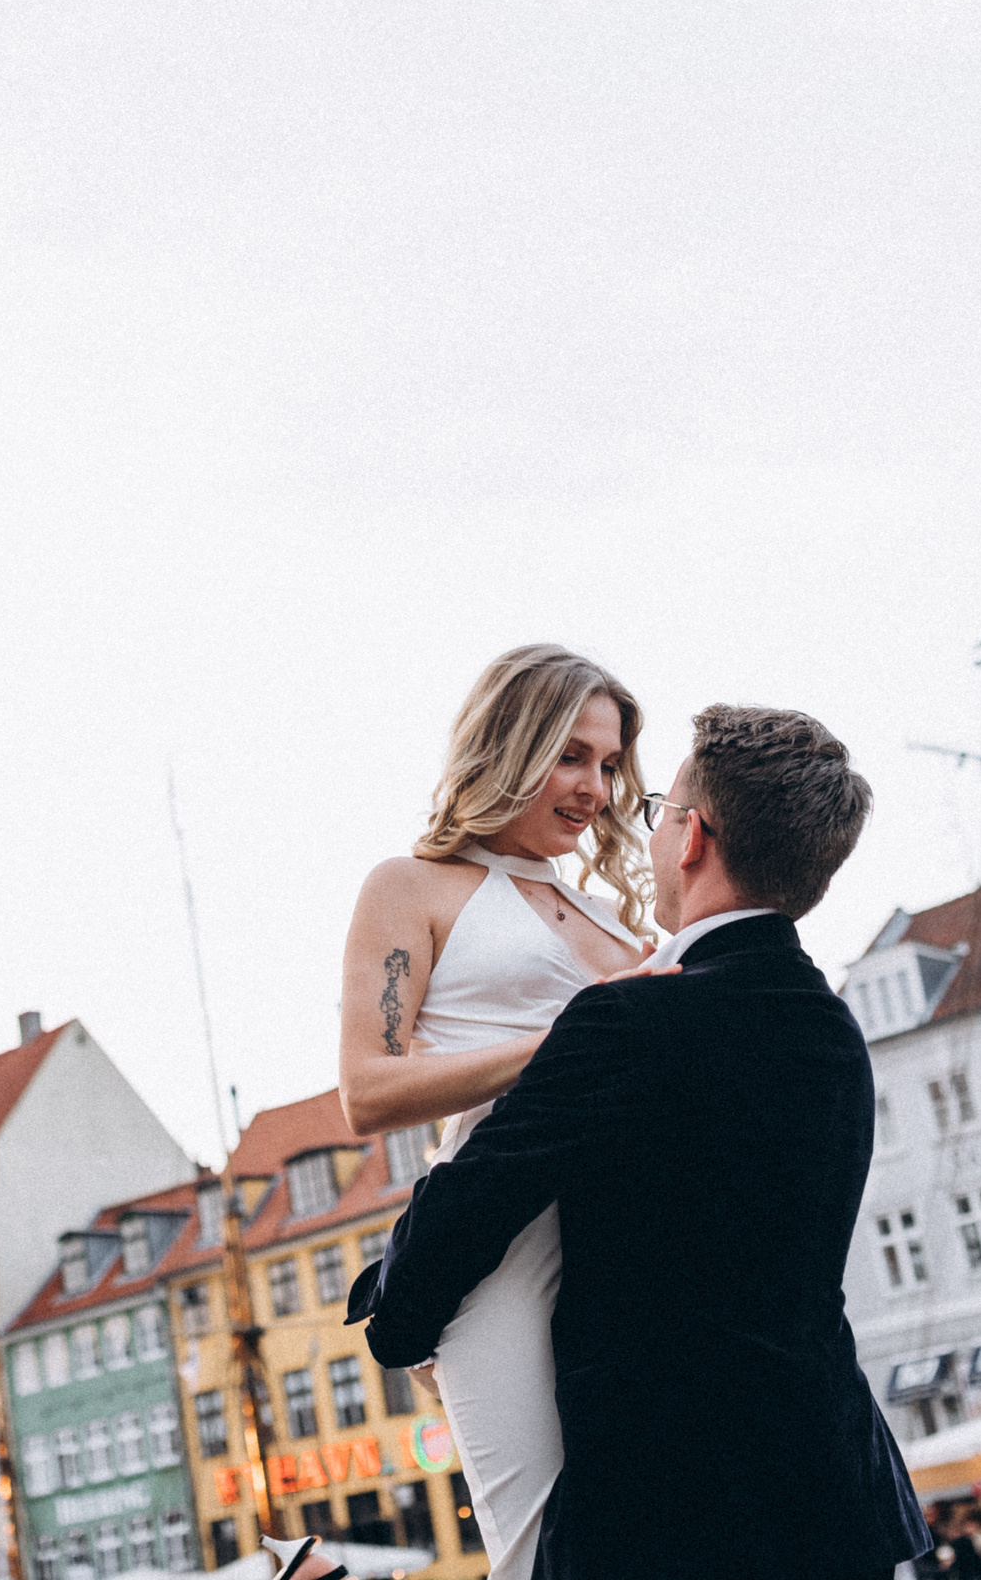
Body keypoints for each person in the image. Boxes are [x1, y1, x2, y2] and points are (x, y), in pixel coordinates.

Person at [349, 704, 933, 1579]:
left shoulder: (628, 1019)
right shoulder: (833, 1030)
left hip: (669, 1504)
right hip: (836, 1493)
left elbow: (472, 1202)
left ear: (692, 836)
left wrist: (396, 1320)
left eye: (658, 810)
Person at [335, 644, 656, 1580]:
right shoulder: (412, 887)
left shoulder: (612, 920)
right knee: (537, 1544)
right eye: (571, 756)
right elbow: (367, 1090)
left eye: (609, 764)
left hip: (634, 1232)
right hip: (501, 1238)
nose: (595, 787)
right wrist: (571, 1041)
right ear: (508, 745)